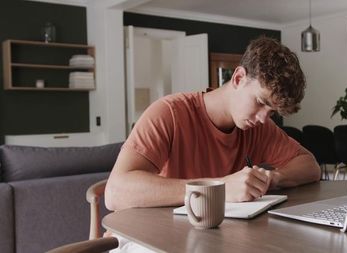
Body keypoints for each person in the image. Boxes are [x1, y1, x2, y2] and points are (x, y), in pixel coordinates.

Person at [105, 36, 320, 211]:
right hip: (146, 239)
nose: (264, 118)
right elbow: (115, 193)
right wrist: (218, 188)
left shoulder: (258, 126)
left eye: (272, 112)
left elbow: (310, 166)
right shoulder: (169, 113)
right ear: (238, 78)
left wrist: (272, 178)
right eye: (260, 102)